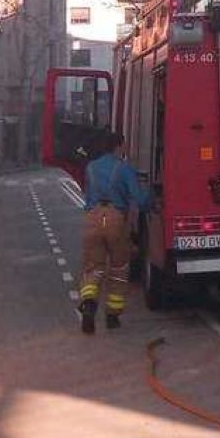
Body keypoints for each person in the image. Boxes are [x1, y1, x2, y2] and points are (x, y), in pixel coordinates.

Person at [78, 133, 150, 334]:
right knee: (118, 269)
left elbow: (87, 194)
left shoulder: (90, 167)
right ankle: (112, 316)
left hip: (92, 218)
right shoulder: (124, 168)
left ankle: (89, 303)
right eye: (124, 146)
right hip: (115, 219)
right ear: (118, 147)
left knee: (93, 268)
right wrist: (152, 198)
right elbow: (139, 199)